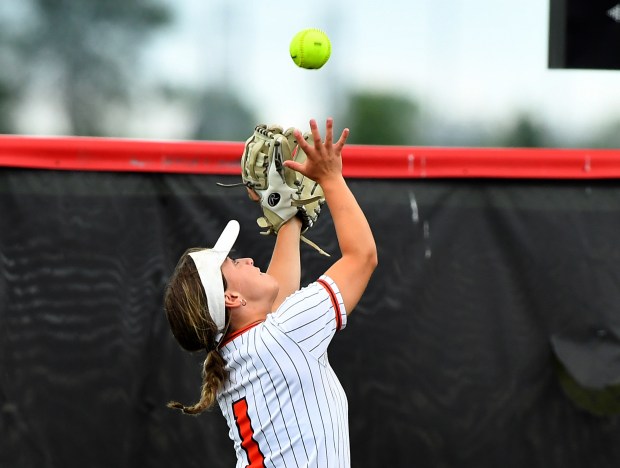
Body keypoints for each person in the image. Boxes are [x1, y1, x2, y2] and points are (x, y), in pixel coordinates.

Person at [163, 117, 378, 467]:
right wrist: (331, 177)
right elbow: (362, 257)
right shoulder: (281, 338)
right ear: (232, 299)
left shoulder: (235, 352)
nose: (246, 260)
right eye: (233, 264)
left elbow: (275, 311)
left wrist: (287, 215)